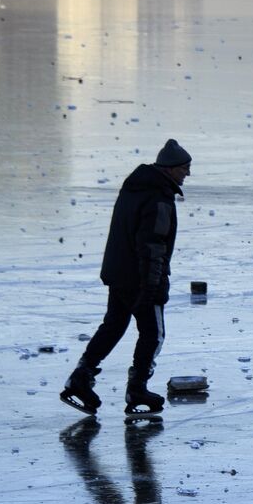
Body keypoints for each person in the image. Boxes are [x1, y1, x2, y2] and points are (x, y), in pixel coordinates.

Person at [62, 139, 191, 421]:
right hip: (141, 278)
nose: (187, 175)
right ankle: (137, 389)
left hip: (119, 273)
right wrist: (153, 285)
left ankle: (80, 377)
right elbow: (153, 245)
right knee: (153, 333)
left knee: (114, 325)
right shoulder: (158, 198)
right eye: (185, 168)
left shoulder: (134, 188)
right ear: (170, 169)